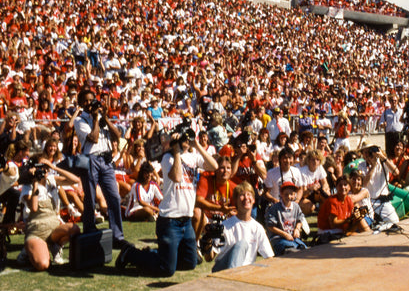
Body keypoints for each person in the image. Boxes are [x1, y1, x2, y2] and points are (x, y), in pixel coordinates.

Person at [116, 132, 201, 276]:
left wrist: (197, 144)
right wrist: (176, 151)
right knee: (166, 270)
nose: (186, 141)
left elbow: (215, 165)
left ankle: (161, 255)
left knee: (189, 263)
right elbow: (177, 177)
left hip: (186, 221)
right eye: (183, 139)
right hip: (170, 221)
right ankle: (131, 253)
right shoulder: (168, 158)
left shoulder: (193, 157)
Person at [73, 89, 126, 248]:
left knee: (114, 197)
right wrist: (96, 119)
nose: (90, 103)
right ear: (82, 103)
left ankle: (117, 236)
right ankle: (89, 230)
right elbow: (93, 138)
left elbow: (117, 134)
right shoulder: (79, 120)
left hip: (106, 159)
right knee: (90, 198)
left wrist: (105, 118)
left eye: (92, 100)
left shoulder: (100, 116)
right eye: (87, 101)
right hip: (91, 158)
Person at [19, 156, 81, 270]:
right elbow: (33, 207)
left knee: (75, 229)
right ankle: (28, 250)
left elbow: (75, 180)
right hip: (36, 231)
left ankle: (55, 245)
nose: (45, 170)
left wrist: (54, 167)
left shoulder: (51, 180)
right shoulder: (28, 187)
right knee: (43, 265)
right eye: (41, 168)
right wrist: (35, 182)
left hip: (53, 228)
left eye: (46, 167)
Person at [203, 181, 274, 272]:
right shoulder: (225, 226)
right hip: (222, 271)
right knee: (242, 244)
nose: (246, 198)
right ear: (235, 201)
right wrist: (208, 242)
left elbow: (269, 257)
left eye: (249, 194)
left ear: (253, 200)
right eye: (242, 195)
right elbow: (209, 258)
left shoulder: (258, 228)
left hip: (245, 273)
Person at [264, 181, 307, 255]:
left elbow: (300, 219)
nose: (289, 197)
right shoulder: (275, 208)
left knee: (304, 249)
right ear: (281, 194)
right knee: (291, 251)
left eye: (291, 194)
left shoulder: (296, 207)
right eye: (286, 194)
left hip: (293, 238)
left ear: (294, 195)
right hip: (279, 238)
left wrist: (297, 229)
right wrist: (285, 234)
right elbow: (270, 227)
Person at [378, 95, 404, 160]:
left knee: (399, 153)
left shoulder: (401, 112)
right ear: (390, 102)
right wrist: (383, 124)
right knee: (390, 154)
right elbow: (381, 123)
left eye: (395, 100)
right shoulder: (386, 112)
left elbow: (405, 122)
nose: (394, 102)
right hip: (389, 135)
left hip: (399, 134)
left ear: (397, 101)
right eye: (392, 101)